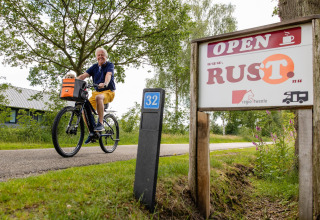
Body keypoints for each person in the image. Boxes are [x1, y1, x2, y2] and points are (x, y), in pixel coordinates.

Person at [77, 47, 116, 143]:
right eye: (98, 55)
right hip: (96, 92)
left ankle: (101, 123)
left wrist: (105, 83)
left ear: (106, 56)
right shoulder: (94, 67)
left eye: (102, 54)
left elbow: (108, 75)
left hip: (108, 92)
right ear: (96, 57)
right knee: (84, 110)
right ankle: (92, 133)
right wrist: (72, 81)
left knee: (99, 97)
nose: (100, 56)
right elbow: (83, 76)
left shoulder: (109, 65)